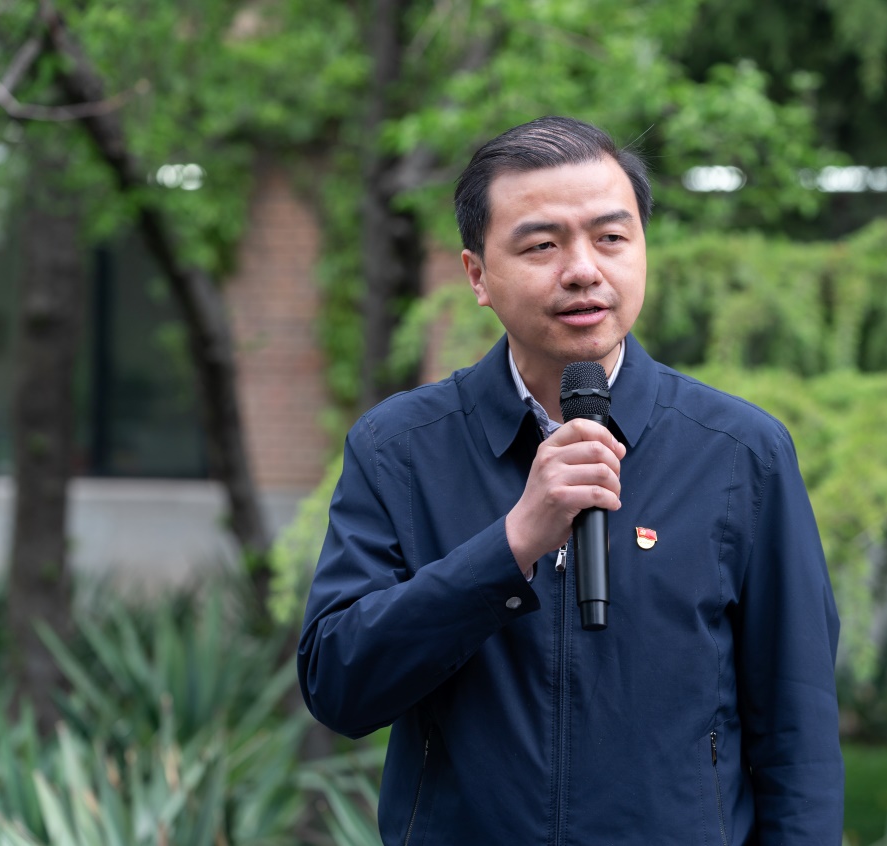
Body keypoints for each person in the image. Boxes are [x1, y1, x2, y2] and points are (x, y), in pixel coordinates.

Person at [298, 116, 844, 845]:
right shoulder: (399, 449)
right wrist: (510, 546)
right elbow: (338, 688)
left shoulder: (741, 453)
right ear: (476, 275)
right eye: (542, 245)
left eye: (611, 237)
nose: (583, 269)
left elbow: (797, 731)